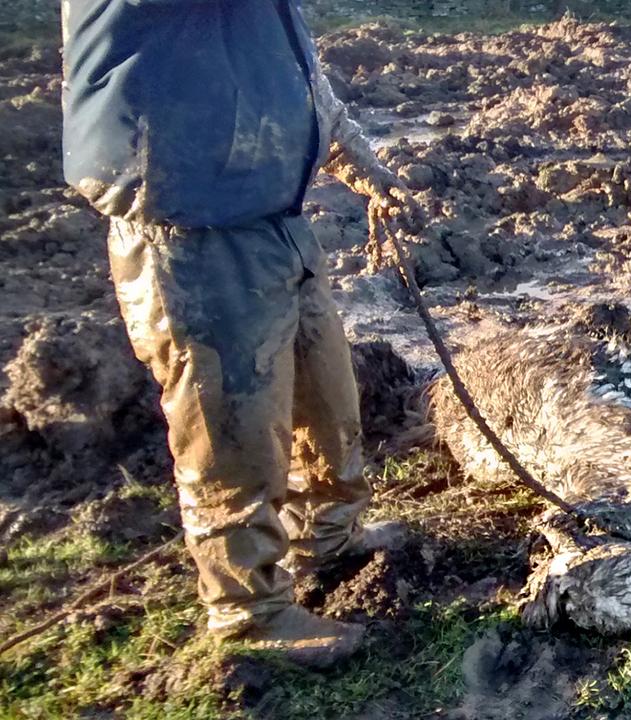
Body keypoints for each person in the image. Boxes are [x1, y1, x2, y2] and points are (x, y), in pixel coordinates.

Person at [61, 0, 421, 667]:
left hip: (274, 220)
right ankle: (248, 610)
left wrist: (358, 160)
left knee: (327, 396)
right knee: (233, 432)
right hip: (191, 233)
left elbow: (290, 74)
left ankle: (326, 534)